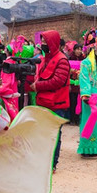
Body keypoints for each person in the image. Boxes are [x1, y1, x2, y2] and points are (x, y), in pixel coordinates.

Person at [29, 30, 70, 170]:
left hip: (56, 104)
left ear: (53, 43)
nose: (43, 45)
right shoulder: (46, 59)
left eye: (46, 42)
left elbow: (57, 81)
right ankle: (43, 161)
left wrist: (37, 86)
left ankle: (52, 164)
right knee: (43, 134)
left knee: (54, 134)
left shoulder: (62, 60)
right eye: (43, 42)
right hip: (44, 102)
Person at [77, 41, 97, 157]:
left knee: (95, 122)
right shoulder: (92, 62)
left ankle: (94, 147)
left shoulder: (92, 62)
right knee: (94, 122)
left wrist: (86, 95)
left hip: (96, 96)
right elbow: (86, 80)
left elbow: (86, 79)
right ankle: (92, 147)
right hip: (96, 96)